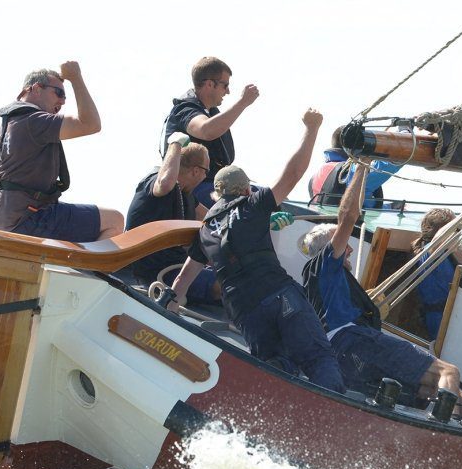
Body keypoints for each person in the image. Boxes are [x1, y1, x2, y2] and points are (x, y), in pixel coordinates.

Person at [169, 109, 345, 393]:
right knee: (317, 358)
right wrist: (311, 129)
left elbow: (181, 282)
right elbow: (293, 175)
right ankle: (336, 416)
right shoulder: (253, 204)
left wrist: (168, 307)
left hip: (246, 313)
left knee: (275, 370)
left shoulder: (205, 229)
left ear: (216, 196)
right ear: (246, 190)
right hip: (279, 296)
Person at [300, 169, 462, 425]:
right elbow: (348, 217)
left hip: (343, 351)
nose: (350, 248)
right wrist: (362, 169)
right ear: (330, 248)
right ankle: (445, 429)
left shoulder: (320, 279)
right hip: (355, 340)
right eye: (343, 244)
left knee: (432, 387)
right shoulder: (325, 265)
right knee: (449, 371)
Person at [0, 62, 124, 241]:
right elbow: (91, 124)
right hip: (30, 219)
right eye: (58, 93)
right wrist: (75, 78)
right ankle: (86, 270)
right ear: (36, 88)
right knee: (114, 220)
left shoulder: (5, 125)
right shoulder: (34, 122)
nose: (63, 101)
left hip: (4, 219)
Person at [122, 132, 217, 301]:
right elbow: (165, 183)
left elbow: (214, 219)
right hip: (158, 273)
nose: (205, 177)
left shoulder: (187, 196)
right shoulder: (155, 183)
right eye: (206, 172)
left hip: (177, 268)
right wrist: (175, 144)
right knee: (225, 286)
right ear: (196, 171)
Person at [160, 57, 258, 208]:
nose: (228, 91)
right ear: (210, 84)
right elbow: (206, 130)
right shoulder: (184, 110)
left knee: (268, 197)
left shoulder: (211, 112)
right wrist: (243, 102)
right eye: (225, 85)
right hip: (195, 189)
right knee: (252, 204)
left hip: (216, 186)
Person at [308, 127, 399, 209]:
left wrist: (390, 207)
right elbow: (388, 163)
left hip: (322, 225)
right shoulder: (350, 172)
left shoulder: (316, 176)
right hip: (348, 226)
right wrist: (404, 133)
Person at [410, 207, 459, 338]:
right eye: (456, 229)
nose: (459, 233)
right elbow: (437, 243)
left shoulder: (431, 252)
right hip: (439, 319)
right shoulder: (432, 252)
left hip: (437, 316)